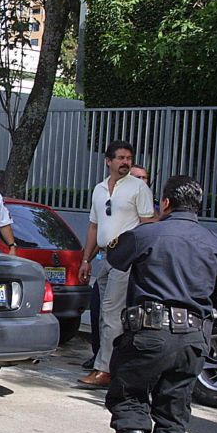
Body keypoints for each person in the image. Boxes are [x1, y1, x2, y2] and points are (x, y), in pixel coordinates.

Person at [104, 175, 217, 433]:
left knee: (127, 395)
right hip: (194, 338)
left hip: (149, 332)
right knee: (175, 406)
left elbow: (114, 257)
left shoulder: (148, 233)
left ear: (165, 203)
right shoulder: (216, 242)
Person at [78, 141, 155, 388]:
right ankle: (105, 362)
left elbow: (147, 224)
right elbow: (94, 226)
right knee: (103, 313)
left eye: (128, 158)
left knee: (112, 313)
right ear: (108, 161)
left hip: (126, 257)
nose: (125, 162)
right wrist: (86, 260)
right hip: (107, 257)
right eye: (120, 158)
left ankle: (105, 369)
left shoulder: (138, 188)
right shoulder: (99, 189)